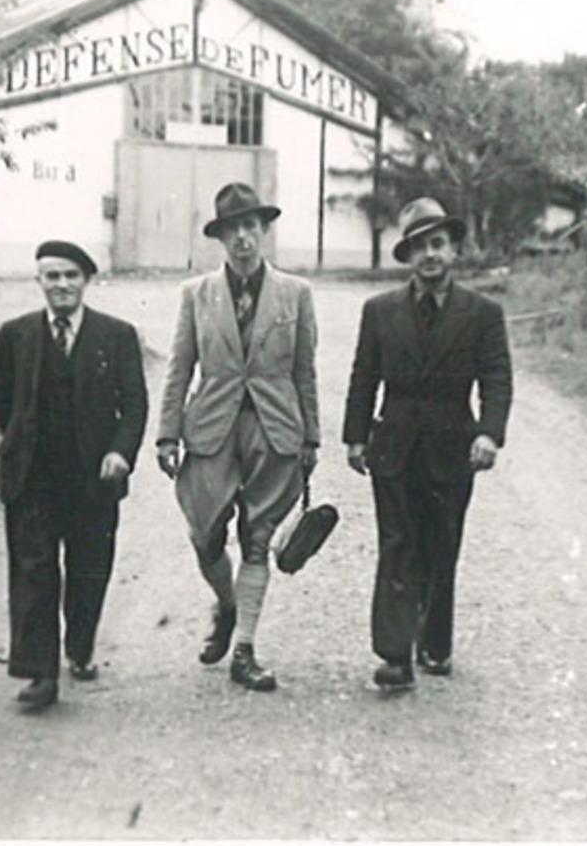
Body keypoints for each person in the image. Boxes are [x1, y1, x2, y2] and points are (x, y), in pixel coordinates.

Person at [342, 197, 513, 690]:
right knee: (397, 544)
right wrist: (356, 436)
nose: (429, 255)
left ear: (454, 250)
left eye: (437, 244)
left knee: (442, 543)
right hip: (393, 443)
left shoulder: (483, 313)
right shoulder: (380, 311)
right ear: (409, 257)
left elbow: (497, 378)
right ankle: (395, 655)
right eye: (419, 248)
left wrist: (488, 433)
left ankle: (435, 641)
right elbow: (363, 377)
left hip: (452, 445)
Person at [156, 183, 320, 692]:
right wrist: (166, 435)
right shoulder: (197, 295)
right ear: (221, 238)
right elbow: (180, 366)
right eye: (233, 230)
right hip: (210, 430)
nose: (243, 238)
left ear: (264, 231)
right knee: (205, 536)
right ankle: (227, 607)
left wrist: (310, 437)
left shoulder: (296, 294)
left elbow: (304, 370)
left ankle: (244, 649)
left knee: (258, 537)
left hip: (273, 431)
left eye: (251, 227)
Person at [0, 240, 147, 709]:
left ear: (86, 281)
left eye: (70, 276)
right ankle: (40, 673)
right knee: (33, 573)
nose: (61, 285)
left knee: (88, 570)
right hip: (34, 479)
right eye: (52, 276)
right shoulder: (16, 335)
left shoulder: (117, 335)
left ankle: (79, 647)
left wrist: (120, 452)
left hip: (93, 479)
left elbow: (135, 405)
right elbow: (3, 398)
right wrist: (20, 443)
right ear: (39, 281)